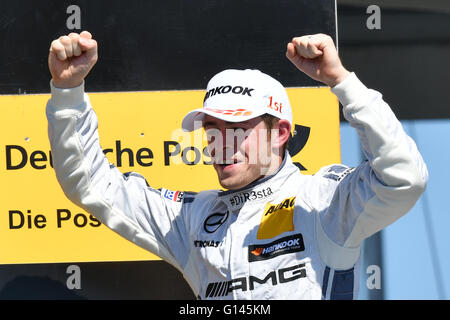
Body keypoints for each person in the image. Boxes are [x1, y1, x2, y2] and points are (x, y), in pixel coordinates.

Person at [46, 31, 428, 299]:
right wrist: (67, 93)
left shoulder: (323, 200)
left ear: (280, 132)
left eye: (237, 129)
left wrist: (341, 82)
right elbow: (91, 184)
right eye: (212, 130)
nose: (221, 145)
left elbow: (404, 179)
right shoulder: (190, 217)